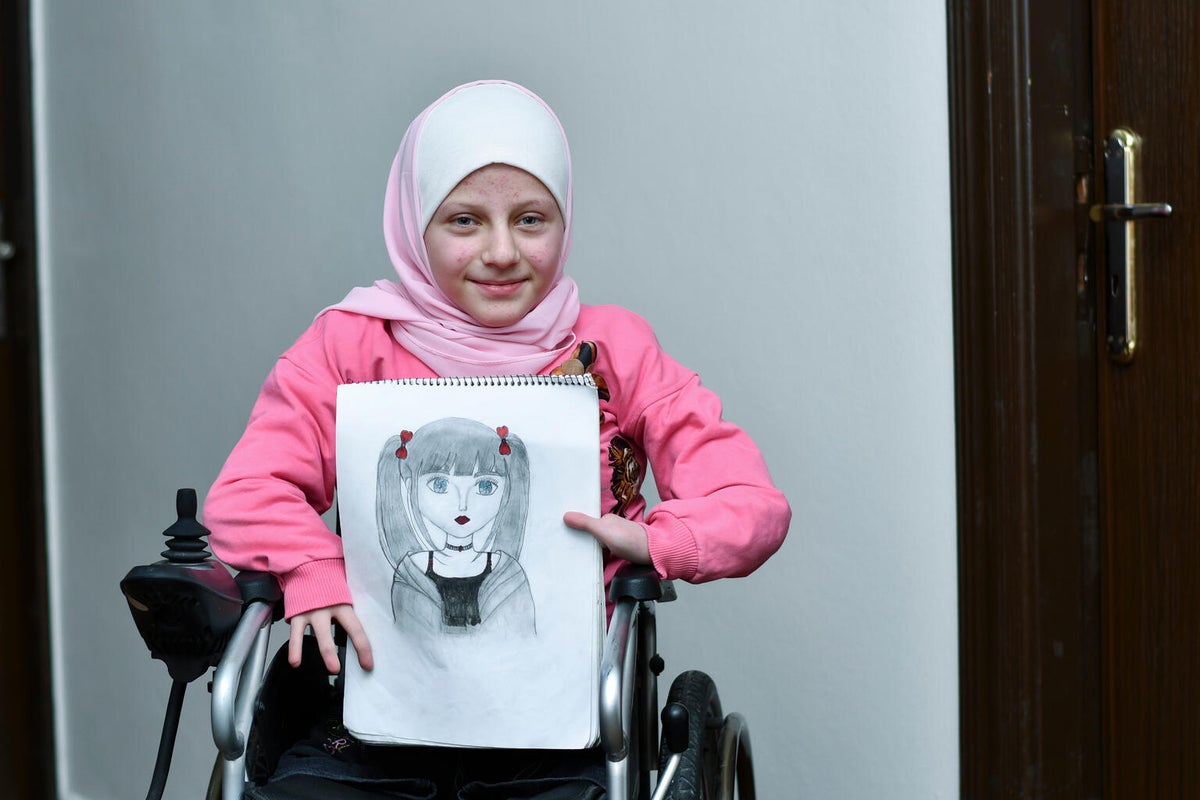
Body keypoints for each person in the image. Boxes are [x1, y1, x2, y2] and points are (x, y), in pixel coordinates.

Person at [205, 79, 791, 798]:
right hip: (374, 695)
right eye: (464, 222)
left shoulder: (614, 349)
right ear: (414, 221)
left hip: (565, 711)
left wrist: (659, 540)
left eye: (531, 219)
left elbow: (753, 505)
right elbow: (246, 491)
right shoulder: (351, 346)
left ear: (564, 220)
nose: (503, 251)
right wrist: (307, 569)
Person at [377, 418, 536, 635]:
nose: (463, 503)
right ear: (409, 485)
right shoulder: (411, 572)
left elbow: (522, 642)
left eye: (485, 485)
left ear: (506, 489)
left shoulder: (508, 574)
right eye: (440, 484)